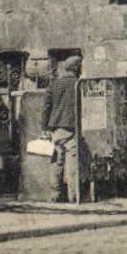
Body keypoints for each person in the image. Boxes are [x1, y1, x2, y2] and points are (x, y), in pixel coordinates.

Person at [42, 54, 82, 203]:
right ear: (76, 69)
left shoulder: (53, 85)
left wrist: (44, 127)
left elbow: (46, 107)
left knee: (56, 163)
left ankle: (55, 194)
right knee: (72, 163)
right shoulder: (78, 85)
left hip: (55, 129)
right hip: (72, 127)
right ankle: (73, 195)